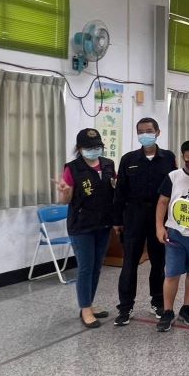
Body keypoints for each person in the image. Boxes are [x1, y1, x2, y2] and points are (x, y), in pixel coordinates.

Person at [113, 118, 177, 326]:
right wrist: (117, 220)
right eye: (140, 131)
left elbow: (175, 190)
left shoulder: (168, 158)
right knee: (129, 262)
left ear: (158, 132)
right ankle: (125, 307)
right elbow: (120, 192)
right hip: (133, 216)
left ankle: (158, 302)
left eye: (149, 130)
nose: (145, 134)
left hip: (160, 218)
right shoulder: (128, 159)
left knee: (159, 261)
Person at [57, 128, 116, 328]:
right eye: (89, 147)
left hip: (103, 223)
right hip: (81, 225)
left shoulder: (108, 164)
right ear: (80, 148)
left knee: (97, 266)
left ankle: (88, 304)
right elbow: (65, 200)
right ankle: (85, 309)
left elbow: (113, 190)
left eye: (97, 146)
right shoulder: (72, 168)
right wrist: (63, 192)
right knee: (85, 267)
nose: (94, 150)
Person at [154, 140, 189, 332]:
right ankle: (167, 311)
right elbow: (162, 202)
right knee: (172, 273)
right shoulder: (173, 176)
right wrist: (159, 227)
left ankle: (187, 308)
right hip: (175, 232)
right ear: (183, 158)